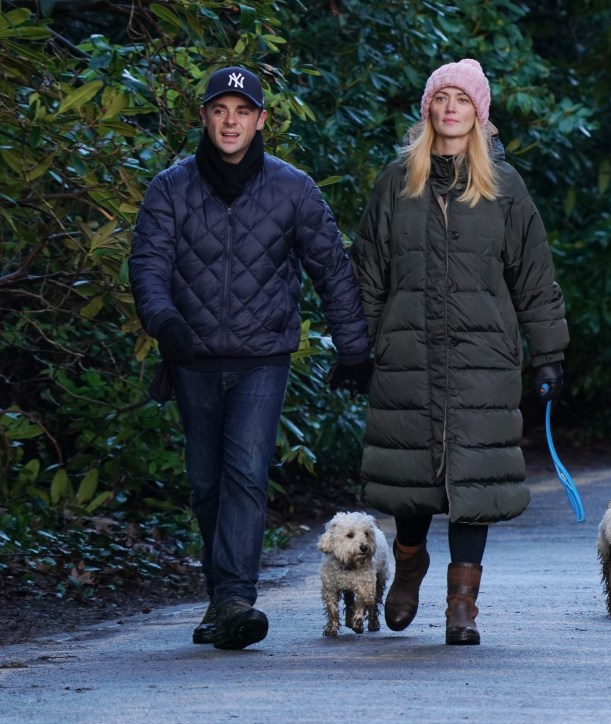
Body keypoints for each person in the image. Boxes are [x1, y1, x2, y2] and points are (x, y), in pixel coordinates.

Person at [129, 66, 372, 650]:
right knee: (205, 483)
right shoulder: (170, 187)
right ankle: (222, 602)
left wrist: (355, 349)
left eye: (243, 110)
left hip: (263, 358)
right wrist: (164, 323)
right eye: (220, 110)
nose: (231, 120)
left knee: (244, 475)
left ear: (261, 119)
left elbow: (332, 270)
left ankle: (236, 597)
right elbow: (148, 265)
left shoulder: (293, 189)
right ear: (205, 118)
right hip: (191, 359)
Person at [349, 58, 569, 645]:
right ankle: (411, 559)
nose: (450, 108)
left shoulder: (505, 188)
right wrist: (355, 347)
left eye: (462, 100)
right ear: (428, 109)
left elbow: (534, 275)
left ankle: (462, 605)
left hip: (483, 356)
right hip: (408, 352)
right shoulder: (396, 182)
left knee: (475, 478)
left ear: (479, 113)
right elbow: (368, 271)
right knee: (413, 476)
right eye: (441, 98)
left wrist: (549, 352)